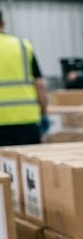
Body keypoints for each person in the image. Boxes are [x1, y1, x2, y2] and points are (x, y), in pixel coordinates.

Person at [0, 10, 48, 146]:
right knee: (28, 166)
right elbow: (39, 85)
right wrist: (44, 113)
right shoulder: (23, 46)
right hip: (27, 121)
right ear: (3, 23)